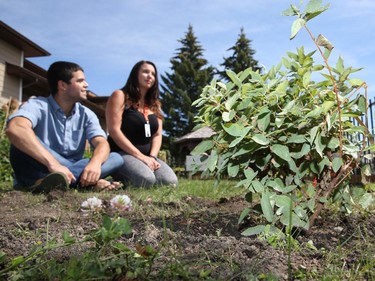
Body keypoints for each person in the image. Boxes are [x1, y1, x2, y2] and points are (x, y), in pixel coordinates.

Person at [6, 61, 123, 193]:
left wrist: (95, 163)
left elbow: (102, 143)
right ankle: (80, 183)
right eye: (80, 81)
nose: (86, 85)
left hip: (73, 167)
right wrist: (53, 164)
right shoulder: (37, 105)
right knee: (21, 138)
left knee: (116, 158)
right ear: (62, 85)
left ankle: (48, 183)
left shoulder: (87, 114)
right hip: (42, 165)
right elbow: (15, 128)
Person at [106, 60, 178, 188]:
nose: (150, 76)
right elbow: (114, 130)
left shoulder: (155, 104)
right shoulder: (120, 96)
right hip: (121, 154)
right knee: (146, 180)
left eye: (153, 74)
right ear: (135, 75)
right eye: (145, 72)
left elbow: (157, 135)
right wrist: (140, 157)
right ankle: (115, 182)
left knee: (170, 182)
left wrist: (152, 157)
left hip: (147, 156)